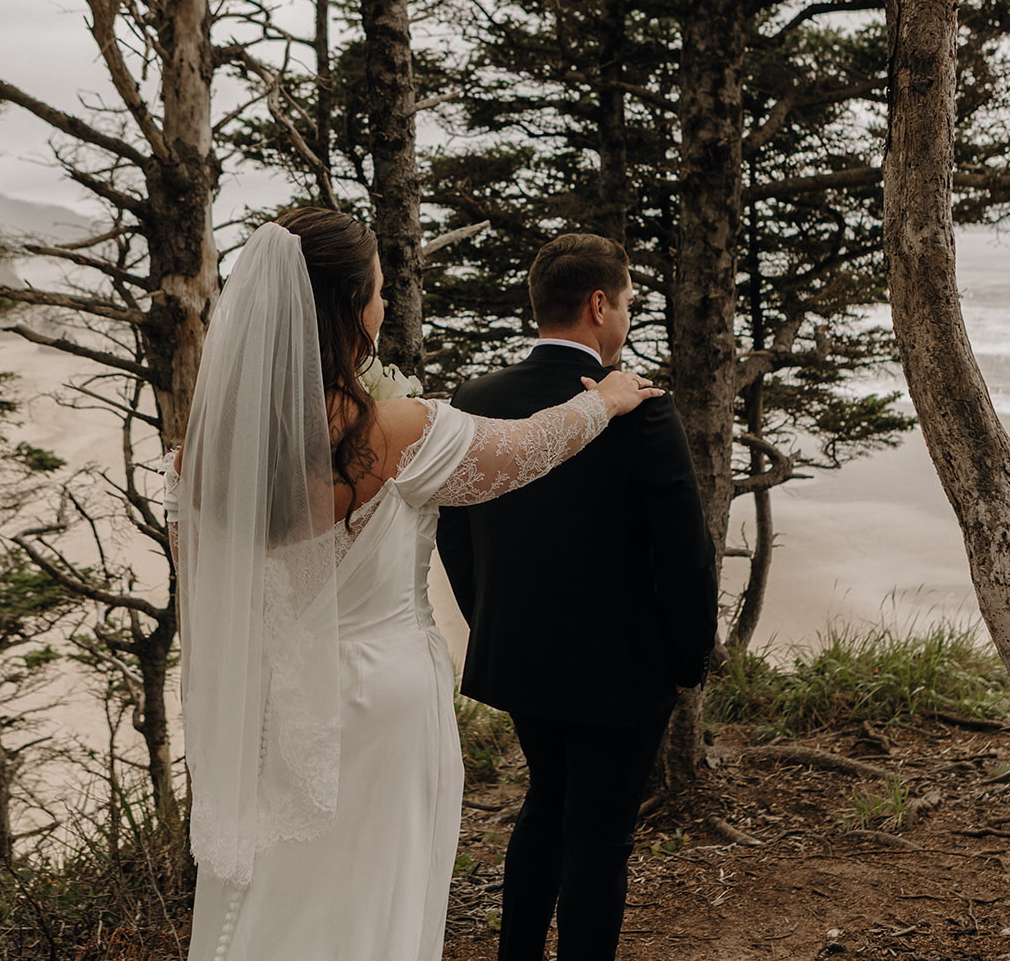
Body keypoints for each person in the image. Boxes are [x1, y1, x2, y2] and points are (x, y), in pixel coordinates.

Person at [164, 209, 664, 961]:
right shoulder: (391, 430)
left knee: (275, 892)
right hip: (381, 710)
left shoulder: (201, 460)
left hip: (275, 710)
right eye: (378, 290)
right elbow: (525, 448)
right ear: (346, 309)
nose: (384, 303)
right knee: (376, 905)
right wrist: (607, 399)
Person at [436, 232, 718, 961]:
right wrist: (690, 659)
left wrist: (496, 620)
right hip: (618, 675)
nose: (627, 315)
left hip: (522, 661)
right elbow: (685, 557)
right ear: (599, 305)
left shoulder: (476, 399)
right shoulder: (640, 411)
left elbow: (455, 532)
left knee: (546, 807)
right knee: (598, 833)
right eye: (626, 302)